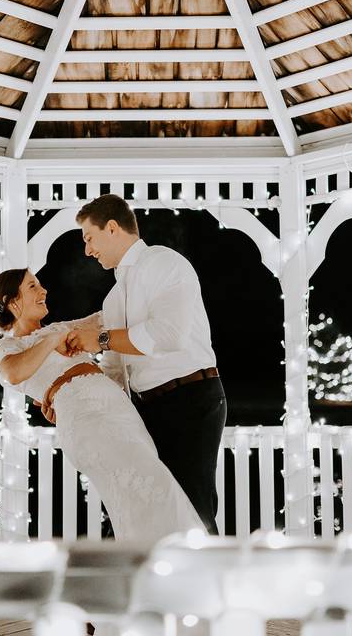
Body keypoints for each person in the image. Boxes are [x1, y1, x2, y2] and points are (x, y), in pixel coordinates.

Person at [0, 268, 203, 541]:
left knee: (146, 483)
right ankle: (181, 549)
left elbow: (109, 317)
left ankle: (162, 560)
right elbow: (14, 373)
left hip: (119, 409)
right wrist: (52, 340)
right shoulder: (8, 348)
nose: (44, 292)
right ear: (12, 302)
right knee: (141, 484)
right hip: (85, 416)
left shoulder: (63, 328)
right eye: (33, 287)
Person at [63, 194, 227, 535]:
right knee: (146, 503)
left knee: (191, 506)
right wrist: (67, 398)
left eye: (88, 238)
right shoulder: (111, 299)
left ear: (111, 228)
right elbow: (113, 374)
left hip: (191, 396)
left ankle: (207, 579)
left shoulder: (164, 263)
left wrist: (103, 339)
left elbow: (169, 335)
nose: (87, 251)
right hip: (147, 409)